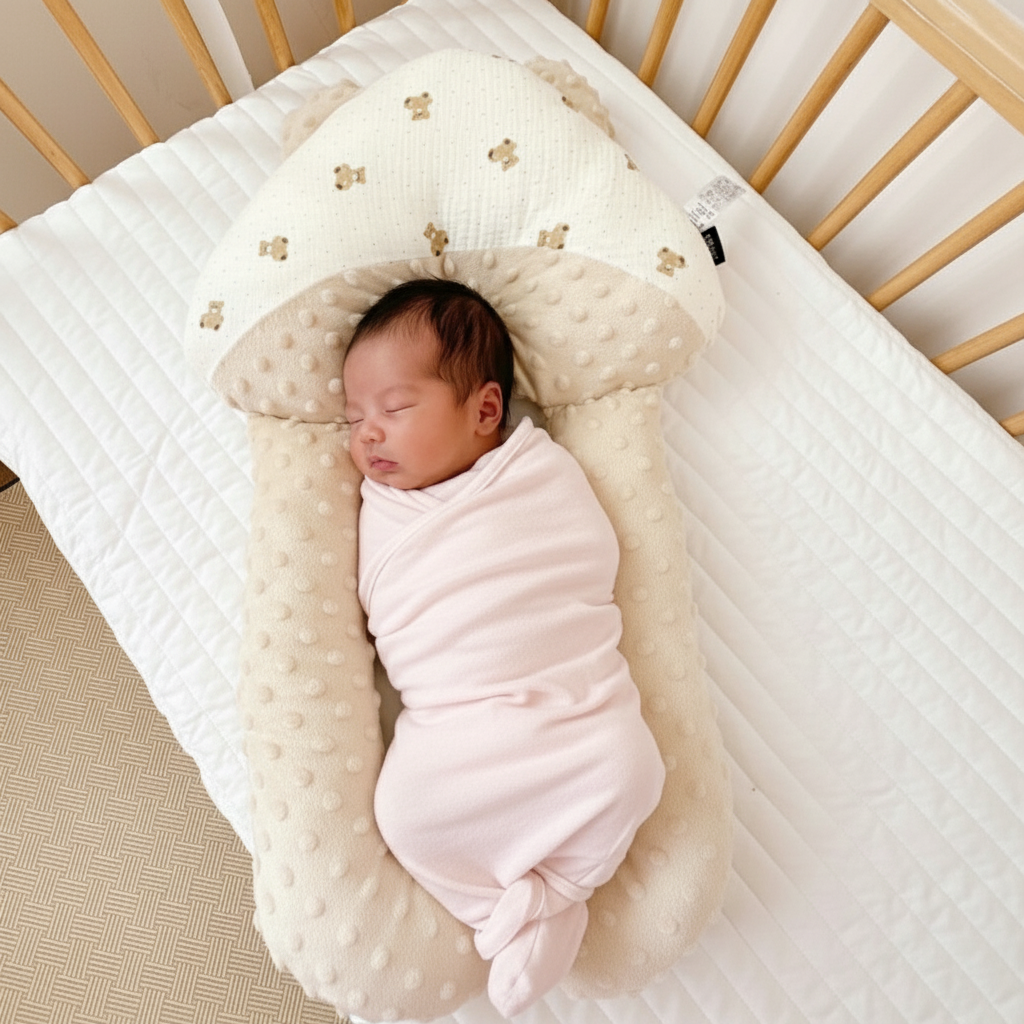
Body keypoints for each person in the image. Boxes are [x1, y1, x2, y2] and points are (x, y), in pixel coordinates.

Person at [343, 279, 665, 1018]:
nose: (367, 432)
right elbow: (380, 602)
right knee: (406, 811)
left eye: (394, 409)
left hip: (568, 699)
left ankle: (560, 891)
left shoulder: (536, 474)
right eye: (355, 415)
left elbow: (588, 554)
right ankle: (509, 912)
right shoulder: (382, 510)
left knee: (630, 768)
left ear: (485, 410)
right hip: (454, 722)